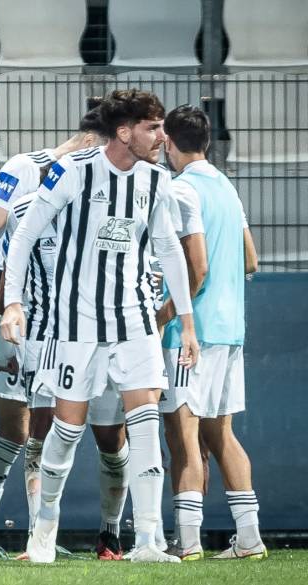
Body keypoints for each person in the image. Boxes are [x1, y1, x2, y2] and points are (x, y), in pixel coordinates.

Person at [1, 89, 200, 564]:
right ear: (125, 132)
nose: (162, 137)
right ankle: (43, 534)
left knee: (145, 426)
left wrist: (187, 323)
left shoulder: (156, 180)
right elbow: (24, 235)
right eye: (153, 128)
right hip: (76, 324)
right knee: (67, 430)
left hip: (135, 321)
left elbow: (169, 250)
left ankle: (148, 541)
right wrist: (12, 303)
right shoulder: (74, 171)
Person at [0, 109, 130, 561]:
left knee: (108, 434)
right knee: (17, 432)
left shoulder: (108, 194)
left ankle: (108, 535)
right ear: (92, 144)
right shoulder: (23, 171)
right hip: (25, 328)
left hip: (90, 329)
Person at [158, 105, 266, 561]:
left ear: (168, 142)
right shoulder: (226, 186)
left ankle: (188, 541)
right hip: (230, 330)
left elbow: (196, 269)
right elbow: (251, 260)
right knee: (221, 434)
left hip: (191, 335)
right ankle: (250, 538)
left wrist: (162, 317)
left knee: (182, 436)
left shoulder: (180, 189)